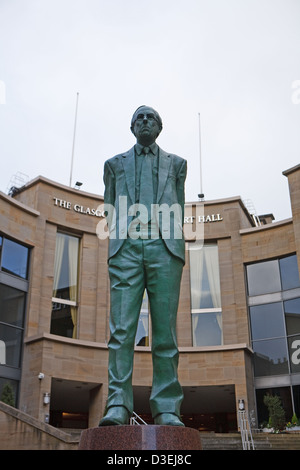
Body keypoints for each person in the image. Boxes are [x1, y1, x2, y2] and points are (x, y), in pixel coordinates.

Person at [99, 105, 187, 426]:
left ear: (159, 127)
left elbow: (178, 206)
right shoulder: (113, 165)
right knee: (121, 330)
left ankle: (166, 407)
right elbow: (110, 208)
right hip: (127, 247)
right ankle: (117, 405)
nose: (145, 121)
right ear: (132, 127)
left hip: (164, 248)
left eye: (151, 117)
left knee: (164, 331)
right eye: (140, 117)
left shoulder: (177, 165)